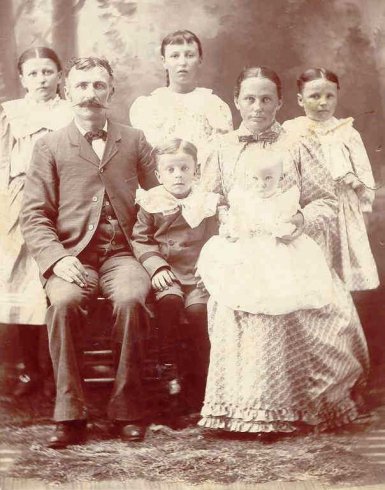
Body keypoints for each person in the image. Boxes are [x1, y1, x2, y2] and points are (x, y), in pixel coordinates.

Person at [199, 66, 369, 435]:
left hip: (291, 249)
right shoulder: (223, 148)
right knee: (241, 305)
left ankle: (304, 408)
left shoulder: (298, 144)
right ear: (236, 101)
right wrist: (227, 217)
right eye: (249, 99)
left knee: (317, 309)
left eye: (265, 99)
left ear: (279, 102)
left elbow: (324, 200)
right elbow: (208, 199)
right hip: (241, 252)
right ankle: (244, 412)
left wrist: (299, 220)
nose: (257, 107)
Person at [20, 56, 157, 448]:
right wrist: (59, 259)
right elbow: (34, 215)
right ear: (66, 92)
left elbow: (158, 201)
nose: (90, 94)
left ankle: (127, 409)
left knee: (131, 298)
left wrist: (150, 255)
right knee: (62, 303)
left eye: (99, 86)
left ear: (111, 92)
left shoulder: (134, 139)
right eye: (81, 86)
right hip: (71, 257)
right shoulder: (47, 145)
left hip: (124, 254)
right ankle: (70, 414)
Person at [0, 46, 72, 397]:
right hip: (18, 199)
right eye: (33, 73)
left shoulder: (71, 112)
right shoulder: (11, 114)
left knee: (55, 283)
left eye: (48, 71)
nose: (41, 79)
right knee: (24, 283)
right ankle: (30, 370)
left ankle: (60, 371)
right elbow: (2, 162)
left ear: (60, 76)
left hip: (63, 199)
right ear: (22, 79)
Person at [131, 138, 219, 425]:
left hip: (198, 274)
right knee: (168, 302)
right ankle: (171, 376)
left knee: (198, 312)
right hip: (168, 273)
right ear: (159, 175)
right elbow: (141, 240)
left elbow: (217, 241)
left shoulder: (206, 202)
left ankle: (201, 381)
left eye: (184, 168)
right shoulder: (153, 201)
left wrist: (210, 270)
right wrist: (156, 267)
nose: (178, 175)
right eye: (170, 170)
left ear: (196, 171)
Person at [197, 146, 333, 315]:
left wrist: (283, 228)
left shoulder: (284, 200)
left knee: (282, 280)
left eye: (268, 178)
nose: (261, 184)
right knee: (238, 276)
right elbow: (236, 219)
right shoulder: (243, 198)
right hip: (248, 245)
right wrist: (232, 228)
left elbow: (286, 224)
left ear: (281, 177)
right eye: (255, 178)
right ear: (248, 177)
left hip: (276, 246)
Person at [283, 68, 379, 292]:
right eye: (314, 96)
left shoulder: (347, 132)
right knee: (313, 267)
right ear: (300, 99)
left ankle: (345, 307)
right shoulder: (293, 130)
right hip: (309, 206)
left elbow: (364, 172)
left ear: (337, 96)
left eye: (329, 96)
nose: (323, 102)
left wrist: (363, 200)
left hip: (343, 206)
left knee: (342, 266)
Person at [129, 30, 233, 171]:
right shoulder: (147, 107)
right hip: (160, 186)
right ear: (164, 61)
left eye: (189, 55)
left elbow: (222, 158)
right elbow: (145, 160)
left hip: (204, 185)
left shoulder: (214, 106)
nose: (182, 62)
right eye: (175, 56)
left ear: (200, 59)